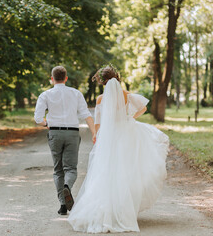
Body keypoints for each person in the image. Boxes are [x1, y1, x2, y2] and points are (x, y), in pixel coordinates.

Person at [68, 65, 169, 233]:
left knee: (107, 171)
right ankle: (123, 210)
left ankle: (107, 209)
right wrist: (129, 117)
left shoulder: (101, 99)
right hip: (126, 134)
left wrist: (97, 136)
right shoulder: (126, 95)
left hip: (110, 137)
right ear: (117, 77)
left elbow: (99, 122)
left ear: (103, 80)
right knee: (127, 171)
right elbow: (143, 108)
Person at [34, 66, 96, 216]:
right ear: (66, 78)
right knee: (71, 169)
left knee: (58, 170)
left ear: (52, 79)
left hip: (54, 133)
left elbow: (37, 119)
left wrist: (47, 124)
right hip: (72, 133)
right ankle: (67, 186)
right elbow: (86, 115)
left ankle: (63, 204)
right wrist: (95, 133)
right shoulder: (76, 93)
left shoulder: (45, 95)